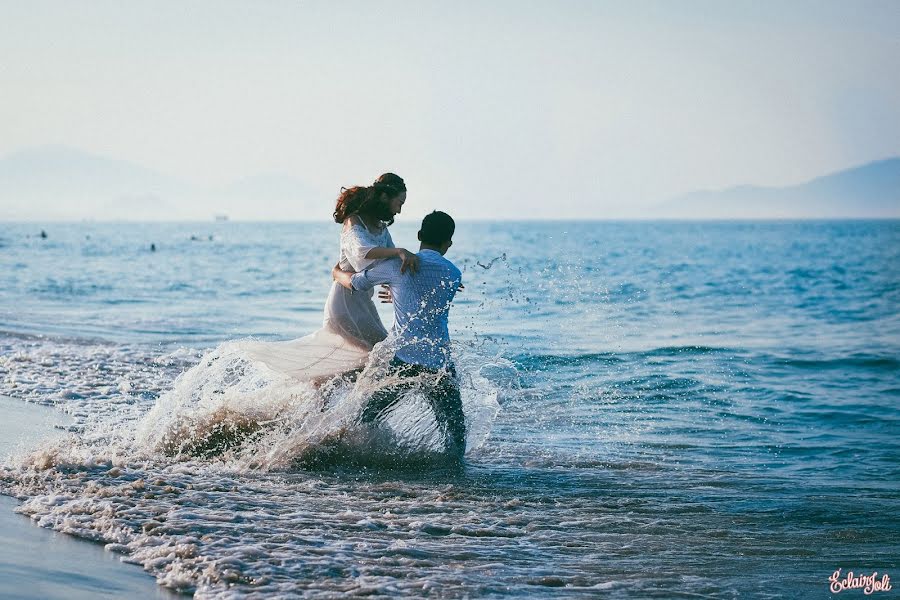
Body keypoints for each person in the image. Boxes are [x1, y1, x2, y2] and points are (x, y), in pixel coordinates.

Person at [239, 173, 418, 380]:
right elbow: (362, 253)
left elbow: (392, 265)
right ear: (385, 196)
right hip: (344, 301)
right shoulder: (354, 221)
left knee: (373, 357)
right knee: (381, 354)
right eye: (399, 202)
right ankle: (341, 400)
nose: (400, 210)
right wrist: (399, 251)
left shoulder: (381, 227)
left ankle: (323, 395)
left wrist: (412, 282)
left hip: (362, 300)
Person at [332, 211, 466, 459]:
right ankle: (453, 482)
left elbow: (356, 284)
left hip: (404, 361)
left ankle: (350, 458)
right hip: (440, 364)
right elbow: (428, 302)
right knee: (456, 439)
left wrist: (336, 273)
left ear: (419, 236)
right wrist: (399, 292)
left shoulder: (395, 266)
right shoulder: (453, 273)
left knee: (365, 419)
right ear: (448, 243)